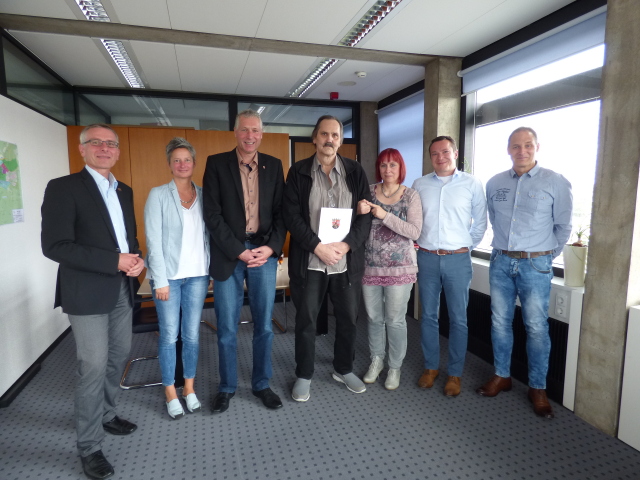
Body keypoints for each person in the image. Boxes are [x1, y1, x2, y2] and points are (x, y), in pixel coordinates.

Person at [41, 124, 144, 480]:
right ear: (82, 149)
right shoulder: (63, 188)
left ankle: (107, 413)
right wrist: (114, 261)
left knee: (118, 357)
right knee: (93, 365)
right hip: (85, 292)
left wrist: (137, 259)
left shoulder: (124, 191)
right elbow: (55, 246)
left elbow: (128, 239)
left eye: (110, 143)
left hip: (120, 289)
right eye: (95, 142)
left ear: (117, 151)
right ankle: (89, 445)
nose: (104, 148)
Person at [476, 127, 572, 419]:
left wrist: (543, 257)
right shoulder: (494, 183)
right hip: (501, 261)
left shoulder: (555, 182)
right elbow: (494, 219)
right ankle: (502, 375)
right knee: (500, 322)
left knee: (536, 327)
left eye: (527, 145)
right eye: (515, 146)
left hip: (535, 265)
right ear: (508, 149)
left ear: (537, 147)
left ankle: (537, 387)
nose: (522, 151)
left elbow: (563, 228)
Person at [284, 115, 372, 402]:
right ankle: (304, 373)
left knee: (348, 317)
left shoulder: (355, 171)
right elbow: (292, 217)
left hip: (345, 262)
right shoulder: (297, 172)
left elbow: (365, 216)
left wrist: (346, 246)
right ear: (314, 138)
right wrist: (317, 246)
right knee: (307, 319)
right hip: (310, 260)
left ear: (340, 140)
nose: (329, 139)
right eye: (324, 134)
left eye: (335, 135)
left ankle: (343, 368)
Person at [203, 109, 286, 413]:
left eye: (256, 130)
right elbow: (212, 215)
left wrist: (272, 247)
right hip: (230, 255)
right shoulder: (216, 165)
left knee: (264, 324)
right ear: (235, 133)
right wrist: (238, 250)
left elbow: (281, 214)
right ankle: (226, 386)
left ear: (261, 134)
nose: (250, 136)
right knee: (226, 326)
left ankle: (261, 383)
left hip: (263, 254)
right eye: (244, 130)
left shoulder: (275, 166)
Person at [412, 136, 487, 397]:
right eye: (434, 153)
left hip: (458, 259)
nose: (440, 157)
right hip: (427, 257)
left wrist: (464, 245)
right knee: (429, 316)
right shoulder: (419, 184)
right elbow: (415, 220)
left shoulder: (472, 183)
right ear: (430, 157)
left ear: (455, 153)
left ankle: (455, 373)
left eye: (445, 151)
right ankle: (431, 367)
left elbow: (480, 222)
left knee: (459, 319)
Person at [144, 137, 210, 419]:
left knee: (192, 335)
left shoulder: (206, 195)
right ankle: (170, 389)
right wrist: (158, 279)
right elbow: (153, 241)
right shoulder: (158, 195)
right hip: (168, 278)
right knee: (170, 335)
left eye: (187, 160)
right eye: (176, 160)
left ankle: (189, 387)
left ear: (194, 164)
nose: (182, 164)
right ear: (170, 165)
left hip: (197, 276)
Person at [357, 148, 422, 390]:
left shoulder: (411, 196)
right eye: (384, 165)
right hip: (370, 267)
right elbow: (354, 222)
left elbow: (414, 232)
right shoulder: (369, 192)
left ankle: (395, 367)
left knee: (394, 320)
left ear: (401, 168)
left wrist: (384, 215)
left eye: (393, 165)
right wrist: (357, 210)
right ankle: (377, 360)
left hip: (401, 269)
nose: (388, 170)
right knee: (374, 318)